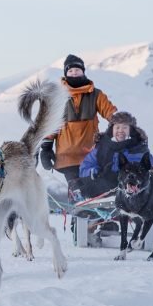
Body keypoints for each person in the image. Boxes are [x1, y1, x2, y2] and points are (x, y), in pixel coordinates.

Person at [40, 54, 117, 198]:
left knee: (97, 190)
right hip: (67, 156)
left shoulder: (96, 95)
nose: (74, 73)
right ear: (65, 73)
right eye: (70, 71)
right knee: (77, 192)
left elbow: (111, 112)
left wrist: (118, 126)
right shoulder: (57, 96)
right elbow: (50, 123)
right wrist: (46, 147)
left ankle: (98, 218)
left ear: (83, 71)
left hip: (91, 154)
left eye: (77, 70)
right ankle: (79, 217)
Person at [76, 111, 153, 198]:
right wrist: (94, 172)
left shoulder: (139, 148)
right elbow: (85, 166)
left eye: (124, 127)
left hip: (131, 188)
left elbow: (151, 168)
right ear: (112, 130)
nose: (120, 130)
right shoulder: (102, 147)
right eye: (117, 127)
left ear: (131, 130)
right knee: (80, 185)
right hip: (102, 187)